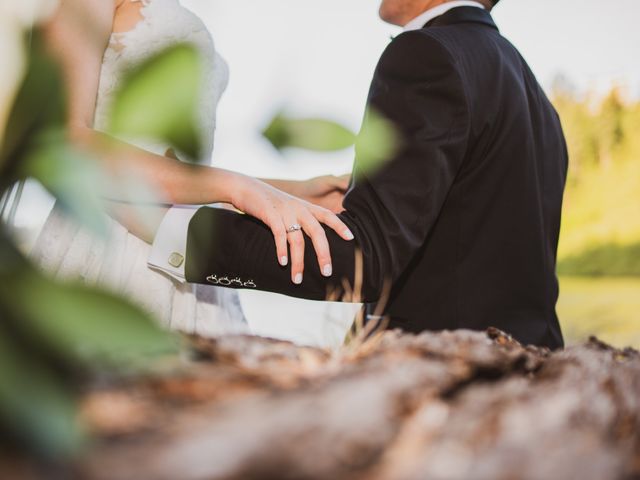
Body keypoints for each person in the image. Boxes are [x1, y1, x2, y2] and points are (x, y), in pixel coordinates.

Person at [155, 0, 569, 349]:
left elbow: (365, 259)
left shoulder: (427, 54)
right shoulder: (535, 95)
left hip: (447, 376)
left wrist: (172, 229)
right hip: (534, 368)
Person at [33, 0, 354, 337]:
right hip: (107, 247)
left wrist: (299, 192)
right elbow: (71, 143)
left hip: (186, 253)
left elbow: (181, 169)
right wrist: (238, 188)